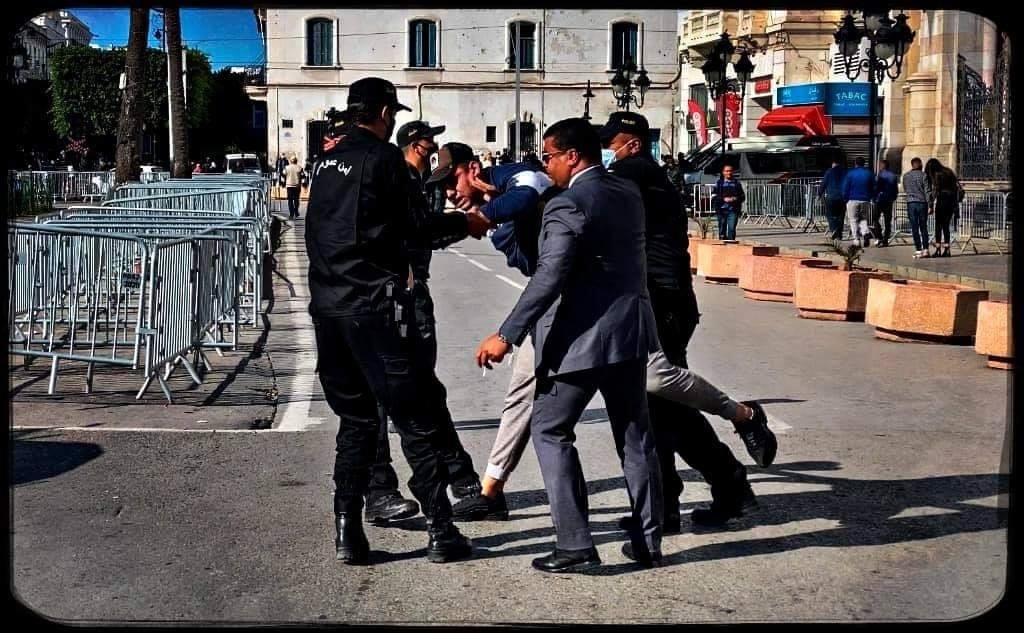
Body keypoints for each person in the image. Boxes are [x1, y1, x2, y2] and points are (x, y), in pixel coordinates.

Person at [304, 76, 488, 565]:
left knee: (356, 421)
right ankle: (440, 529)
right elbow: (415, 228)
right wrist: (465, 223)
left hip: (329, 308)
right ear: (386, 114)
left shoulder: (324, 162)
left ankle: (348, 532)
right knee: (414, 415)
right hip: (374, 306)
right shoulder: (383, 157)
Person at [475, 118, 664, 571]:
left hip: (579, 340)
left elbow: (550, 275)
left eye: (550, 157)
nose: (547, 166)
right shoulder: (626, 192)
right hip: (630, 333)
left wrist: (506, 334)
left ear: (572, 156)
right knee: (636, 438)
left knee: (549, 430)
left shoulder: (568, 204)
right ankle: (648, 541)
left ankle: (575, 543)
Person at [600, 112, 772, 532]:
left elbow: (591, 195)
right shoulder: (647, 177)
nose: (607, 153)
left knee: (661, 401)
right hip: (662, 299)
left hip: (664, 302)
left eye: (611, 145)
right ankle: (676, 502)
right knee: (657, 407)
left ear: (633, 144)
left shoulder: (635, 171)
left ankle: (727, 477)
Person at [354, 120, 486, 521]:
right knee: (398, 395)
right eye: (429, 143)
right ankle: (396, 489)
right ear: (415, 145)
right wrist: (466, 224)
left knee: (418, 391)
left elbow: (424, 235)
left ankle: (455, 479)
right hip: (394, 295)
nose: (433, 149)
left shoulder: (412, 181)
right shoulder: (397, 180)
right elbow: (416, 233)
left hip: (404, 292)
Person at [925, 158, 963, 258]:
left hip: (942, 201)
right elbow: (957, 187)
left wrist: (930, 204)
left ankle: (938, 249)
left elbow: (935, 191)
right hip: (951, 202)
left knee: (938, 226)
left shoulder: (937, 175)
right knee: (946, 226)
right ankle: (947, 250)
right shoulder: (948, 171)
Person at [902, 157, 933, 258]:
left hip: (911, 203)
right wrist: (930, 205)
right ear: (920, 165)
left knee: (914, 227)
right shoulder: (924, 175)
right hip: (922, 203)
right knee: (923, 227)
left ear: (912, 165)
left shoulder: (906, 176)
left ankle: (918, 249)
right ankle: (926, 249)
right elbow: (927, 191)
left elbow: (905, 189)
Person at [842, 157, 875, 247]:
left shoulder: (850, 173)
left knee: (853, 219)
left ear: (855, 163)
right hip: (865, 200)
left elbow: (845, 187)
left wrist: (845, 198)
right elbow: (873, 186)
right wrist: (872, 197)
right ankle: (865, 232)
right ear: (864, 164)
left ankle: (856, 239)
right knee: (863, 218)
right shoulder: (869, 173)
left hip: (852, 199)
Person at [818, 159, 847, 241]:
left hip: (831, 197)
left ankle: (833, 229)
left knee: (830, 214)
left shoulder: (829, 172)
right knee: (841, 216)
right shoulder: (845, 172)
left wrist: (819, 194)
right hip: (842, 197)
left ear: (833, 164)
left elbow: (823, 184)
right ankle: (839, 234)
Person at [712, 164, 744, 241]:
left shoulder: (737, 184)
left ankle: (731, 244)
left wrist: (735, 199)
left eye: (730, 171)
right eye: (727, 171)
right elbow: (714, 196)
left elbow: (742, 196)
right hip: (721, 210)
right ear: (723, 172)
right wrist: (723, 199)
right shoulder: (719, 183)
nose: (729, 173)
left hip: (733, 210)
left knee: (731, 229)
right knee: (722, 230)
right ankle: (722, 244)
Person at [873, 159, 899, 247]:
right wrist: (893, 197)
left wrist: (874, 197)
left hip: (880, 200)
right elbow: (895, 189)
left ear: (882, 166)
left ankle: (879, 235)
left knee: (875, 218)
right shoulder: (893, 176)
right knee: (888, 221)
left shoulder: (880, 176)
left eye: (880, 165)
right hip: (889, 200)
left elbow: (877, 188)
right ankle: (885, 239)